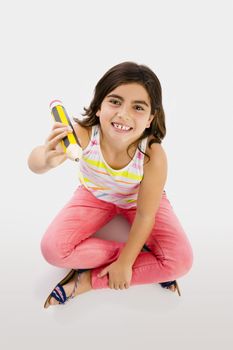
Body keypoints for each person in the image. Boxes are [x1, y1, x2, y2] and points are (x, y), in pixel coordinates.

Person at [28, 61, 193, 309]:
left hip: (138, 202)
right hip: (94, 196)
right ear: (98, 107)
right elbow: (35, 163)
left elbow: (146, 214)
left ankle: (86, 281)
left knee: (181, 261)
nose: (123, 114)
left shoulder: (153, 154)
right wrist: (47, 159)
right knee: (52, 250)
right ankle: (148, 258)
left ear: (150, 118)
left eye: (138, 107)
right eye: (115, 101)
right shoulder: (83, 134)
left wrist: (127, 264)